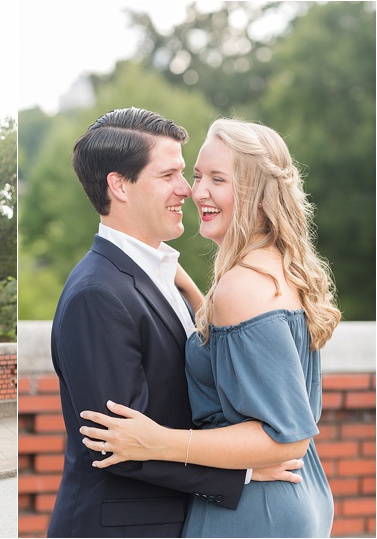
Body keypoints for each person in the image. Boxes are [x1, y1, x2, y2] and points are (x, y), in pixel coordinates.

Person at [80, 118, 341, 537]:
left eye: (217, 179)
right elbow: (235, 353)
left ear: (256, 194)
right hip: (299, 492)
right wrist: (184, 284)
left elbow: (287, 439)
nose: (196, 191)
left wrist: (159, 440)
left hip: (256, 507)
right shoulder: (273, 270)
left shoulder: (243, 286)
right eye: (197, 175)